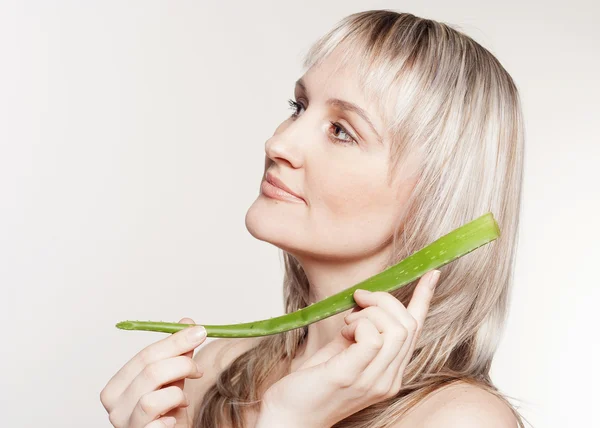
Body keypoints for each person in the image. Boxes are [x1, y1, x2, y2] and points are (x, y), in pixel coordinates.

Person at [100, 9, 528, 428]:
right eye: (299, 105)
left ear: (435, 194)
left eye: (342, 130)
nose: (278, 141)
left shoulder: (459, 420)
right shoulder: (209, 375)